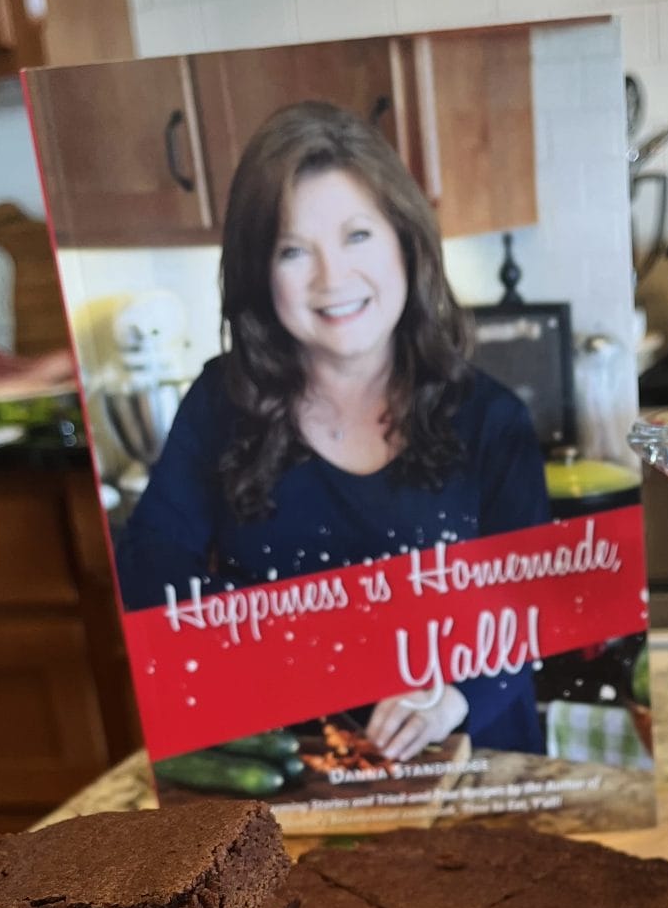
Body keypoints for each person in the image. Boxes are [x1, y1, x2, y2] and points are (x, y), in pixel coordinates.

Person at [117, 100, 552, 758]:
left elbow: (534, 605)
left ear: (406, 240)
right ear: (260, 273)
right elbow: (153, 574)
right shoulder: (219, 401)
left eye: (357, 235)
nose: (333, 278)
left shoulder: (491, 418)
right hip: (291, 776)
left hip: (469, 764)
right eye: (294, 250)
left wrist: (457, 695)